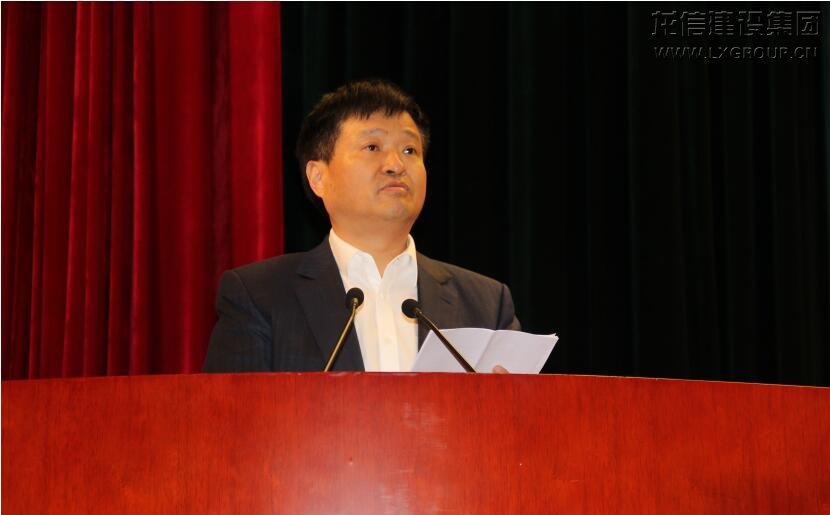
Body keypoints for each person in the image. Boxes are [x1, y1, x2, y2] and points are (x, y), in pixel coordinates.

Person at [203, 79, 519, 373]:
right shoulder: (260, 296)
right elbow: (232, 413)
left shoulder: (486, 304)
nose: (396, 165)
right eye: (372, 147)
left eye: (409, 150)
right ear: (318, 177)